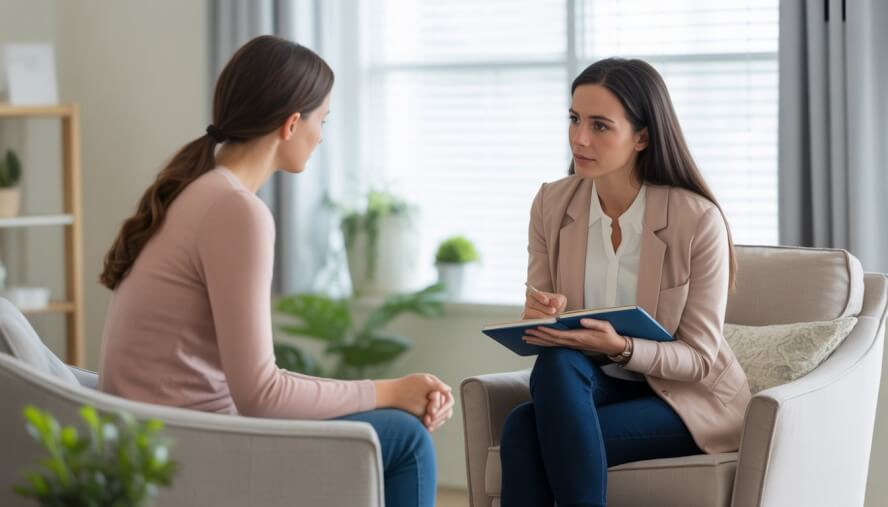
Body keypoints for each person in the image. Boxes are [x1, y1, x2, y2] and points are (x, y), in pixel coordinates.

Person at [97, 35, 451, 507]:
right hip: (190, 449)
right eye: (322, 120)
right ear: (290, 124)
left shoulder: (199, 190)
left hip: (164, 437)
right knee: (406, 439)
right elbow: (261, 394)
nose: (322, 136)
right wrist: (391, 391)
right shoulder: (236, 210)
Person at [499, 58, 752, 507]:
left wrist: (622, 348)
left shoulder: (697, 221)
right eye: (574, 120)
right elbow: (539, 316)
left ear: (642, 136)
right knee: (552, 370)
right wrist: (541, 316)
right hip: (591, 381)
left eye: (600, 126)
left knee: (525, 432)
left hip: (685, 397)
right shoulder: (551, 204)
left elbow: (698, 357)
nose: (579, 138)